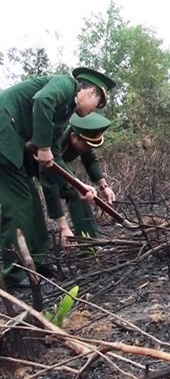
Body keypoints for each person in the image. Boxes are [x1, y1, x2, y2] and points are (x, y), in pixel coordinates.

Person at [0, 67, 115, 289]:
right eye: (98, 105)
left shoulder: (63, 114)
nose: (93, 112)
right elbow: (42, 100)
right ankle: (13, 274)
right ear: (90, 92)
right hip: (4, 132)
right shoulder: (65, 85)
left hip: (10, 140)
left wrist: (80, 185)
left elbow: (55, 160)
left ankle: (38, 261)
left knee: (31, 199)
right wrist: (42, 146)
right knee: (19, 203)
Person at [40, 112, 114, 248]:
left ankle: (90, 245)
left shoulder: (81, 137)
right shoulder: (55, 142)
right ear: (74, 137)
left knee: (78, 192)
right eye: (87, 145)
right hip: (23, 166)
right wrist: (63, 226)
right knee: (27, 205)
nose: (89, 149)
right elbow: (48, 183)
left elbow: (90, 158)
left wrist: (104, 186)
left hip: (57, 165)